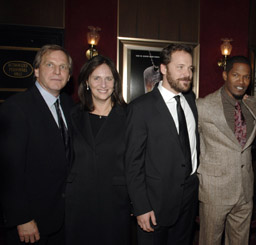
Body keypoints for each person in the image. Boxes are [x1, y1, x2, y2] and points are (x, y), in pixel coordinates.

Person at [0, 44, 74, 244]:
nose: (57, 71)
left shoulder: (70, 106)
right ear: (36, 70)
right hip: (30, 224)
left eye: (63, 67)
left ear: (69, 76)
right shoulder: (16, 108)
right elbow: (8, 172)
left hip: (63, 220)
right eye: (50, 65)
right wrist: (21, 217)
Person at [125, 43, 198, 244]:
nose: (187, 74)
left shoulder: (190, 100)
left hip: (189, 197)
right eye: (180, 67)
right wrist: (140, 206)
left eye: (190, 68)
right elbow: (133, 164)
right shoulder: (140, 108)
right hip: (155, 203)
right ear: (164, 69)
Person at [65, 55, 130, 244]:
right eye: (96, 78)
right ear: (87, 81)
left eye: (109, 78)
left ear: (115, 83)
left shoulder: (129, 116)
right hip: (78, 203)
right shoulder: (72, 115)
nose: (103, 84)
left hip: (115, 203)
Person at [197, 56, 256, 244]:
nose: (241, 82)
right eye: (236, 75)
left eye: (246, 77)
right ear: (225, 75)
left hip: (245, 189)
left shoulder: (251, 105)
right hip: (214, 190)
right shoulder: (202, 106)